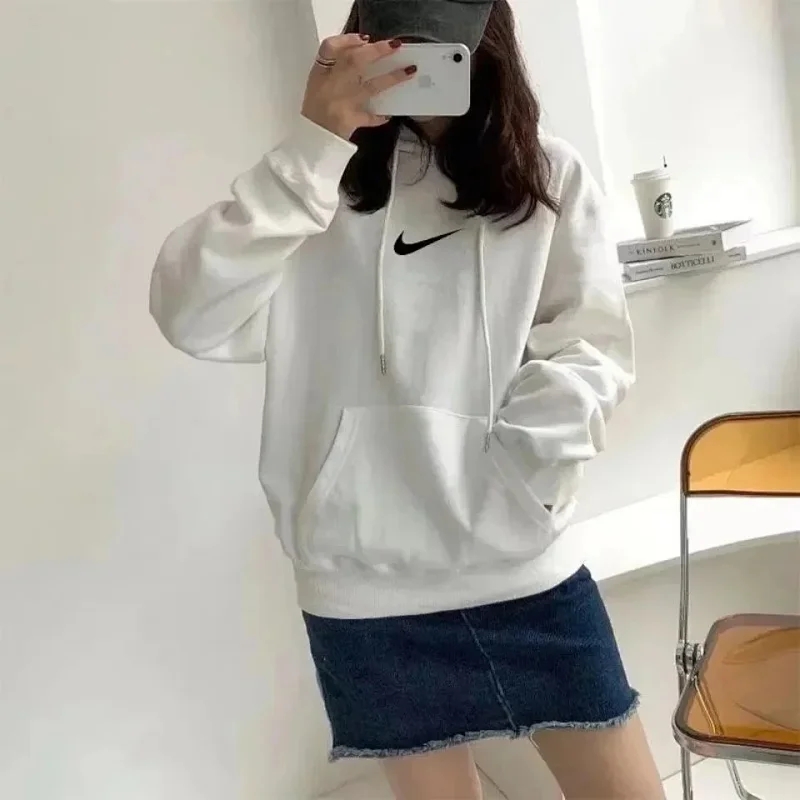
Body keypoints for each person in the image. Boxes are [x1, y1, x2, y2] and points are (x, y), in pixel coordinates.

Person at [150, 1, 666, 797]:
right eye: (398, 41)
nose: (416, 63)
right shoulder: (311, 189)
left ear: (485, 47)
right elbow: (189, 313)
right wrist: (314, 144)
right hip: (363, 588)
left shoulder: (546, 175)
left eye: (439, 46)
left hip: (522, 567)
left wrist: (521, 469)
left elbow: (590, 343)